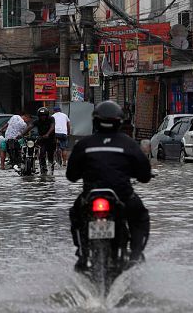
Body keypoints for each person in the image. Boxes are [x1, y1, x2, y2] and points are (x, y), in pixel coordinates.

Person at [66, 100, 152, 266]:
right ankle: (135, 254)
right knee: (140, 217)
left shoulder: (84, 144)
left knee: (76, 215)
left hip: (90, 196)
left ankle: (82, 253)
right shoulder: (129, 143)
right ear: (119, 122)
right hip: (123, 196)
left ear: (95, 121)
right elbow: (145, 175)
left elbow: (71, 175)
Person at [21, 107, 57, 175]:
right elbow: (30, 126)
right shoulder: (37, 121)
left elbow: (52, 127)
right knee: (42, 154)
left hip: (51, 139)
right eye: (41, 116)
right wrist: (21, 134)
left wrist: (47, 134)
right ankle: (43, 170)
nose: (43, 117)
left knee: (50, 155)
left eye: (44, 116)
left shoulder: (51, 119)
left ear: (47, 115)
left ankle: (51, 169)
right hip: (42, 139)